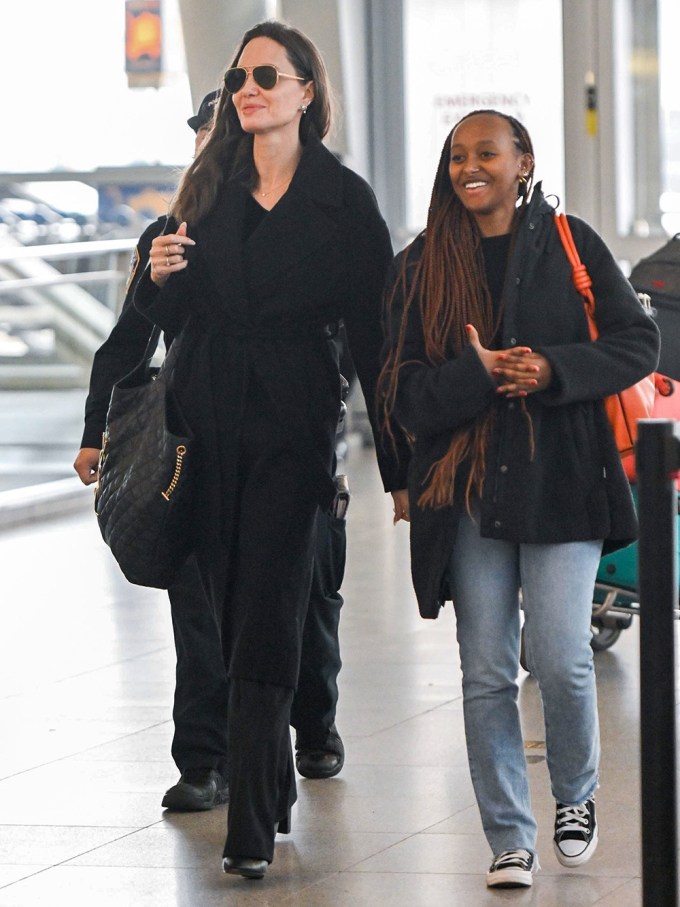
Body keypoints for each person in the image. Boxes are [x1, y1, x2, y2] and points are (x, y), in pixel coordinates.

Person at [133, 21, 408, 879]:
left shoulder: (343, 200)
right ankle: (269, 783)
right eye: (238, 76)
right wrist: (160, 277)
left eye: (265, 75)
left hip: (293, 427)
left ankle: (250, 825)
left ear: (304, 92)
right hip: (207, 424)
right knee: (222, 604)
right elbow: (165, 321)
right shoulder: (207, 187)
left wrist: (399, 469)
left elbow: (375, 341)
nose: (247, 89)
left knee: (269, 610)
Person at [379, 109, 659, 890]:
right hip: (468, 493)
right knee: (485, 669)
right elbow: (399, 389)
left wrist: (552, 371)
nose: (470, 167)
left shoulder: (571, 243)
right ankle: (509, 833)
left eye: (487, 153)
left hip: (562, 480)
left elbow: (638, 344)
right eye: (457, 155)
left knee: (564, 655)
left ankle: (575, 795)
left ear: (523, 161)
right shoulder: (420, 264)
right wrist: (478, 374)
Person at [73, 86, 348, 818]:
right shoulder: (168, 234)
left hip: (291, 443)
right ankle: (203, 758)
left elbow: (348, 340)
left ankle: (315, 722)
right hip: (195, 447)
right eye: (207, 134)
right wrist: (95, 430)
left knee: (305, 601)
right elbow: (130, 339)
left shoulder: (317, 223)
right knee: (197, 606)